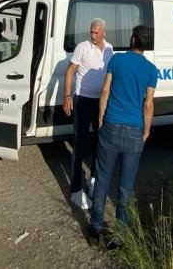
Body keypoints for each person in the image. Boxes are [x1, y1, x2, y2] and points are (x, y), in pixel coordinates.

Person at [88, 25, 158, 246]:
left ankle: (95, 229)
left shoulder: (117, 60)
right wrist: (146, 130)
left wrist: (101, 117)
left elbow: (106, 91)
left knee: (102, 178)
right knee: (126, 185)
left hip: (111, 125)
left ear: (132, 39)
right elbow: (148, 104)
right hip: (134, 130)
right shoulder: (151, 70)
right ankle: (119, 237)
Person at [63, 18, 113, 210]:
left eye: (96, 33)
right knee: (80, 142)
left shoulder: (109, 49)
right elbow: (70, 71)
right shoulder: (82, 47)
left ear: (104, 33)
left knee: (101, 142)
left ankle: (93, 181)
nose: (93, 36)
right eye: (91, 32)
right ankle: (76, 190)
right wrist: (67, 95)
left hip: (100, 102)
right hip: (82, 100)